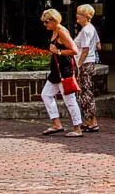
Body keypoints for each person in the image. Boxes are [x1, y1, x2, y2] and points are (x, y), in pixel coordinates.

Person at [38, 9, 84, 137]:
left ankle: (77, 127)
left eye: (46, 22)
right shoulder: (54, 31)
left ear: (54, 20)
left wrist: (58, 51)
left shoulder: (62, 32)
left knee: (69, 99)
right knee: (46, 94)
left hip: (64, 70)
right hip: (56, 71)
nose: (45, 25)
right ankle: (56, 123)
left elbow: (74, 50)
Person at [72, 4, 103, 133]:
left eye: (79, 14)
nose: (77, 16)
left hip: (84, 64)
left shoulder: (85, 31)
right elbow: (99, 46)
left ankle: (93, 121)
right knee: (85, 91)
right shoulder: (91, 29)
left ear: (85, 16)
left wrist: (78, 65)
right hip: (90, 63)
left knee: (86, 92)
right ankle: (87, 120)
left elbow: (85, 50)